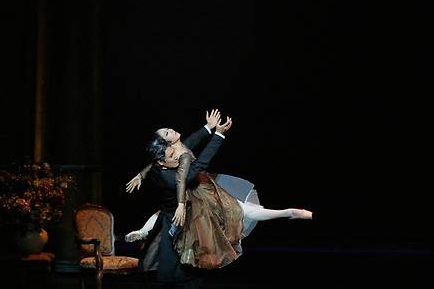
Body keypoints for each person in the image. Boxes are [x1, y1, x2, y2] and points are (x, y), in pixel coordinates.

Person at [125, 110, 313, 272]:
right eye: (167, 132)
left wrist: (208, 128)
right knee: (237, 210)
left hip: (200, 185)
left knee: (241, 209)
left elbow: (191, 142)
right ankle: (143, 231)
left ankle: (288, 212)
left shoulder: (177, 148)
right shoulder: (174, 154)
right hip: (195, 190)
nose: (171, 129)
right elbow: (190, 169)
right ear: (166, 145)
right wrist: (218, 135)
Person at [126, 110, 232, 289]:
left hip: (170, 223)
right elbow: (197, 163)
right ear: (163, 158)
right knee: (190, 273)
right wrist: (218, 136)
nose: (178, 152)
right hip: (184, 224)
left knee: (168, 276)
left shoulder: (159, 166)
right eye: (171, 150)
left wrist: (207, 129)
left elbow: (186, 148)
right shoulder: (172, 176)